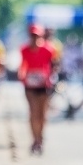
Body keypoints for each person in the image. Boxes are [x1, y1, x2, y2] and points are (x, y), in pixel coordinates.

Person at [17, 24, 56, 154]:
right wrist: (22, 77)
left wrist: (48, 77)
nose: (34, 38)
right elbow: (23, 65)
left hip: (44, 86)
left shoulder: (48, 49)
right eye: (32, 36)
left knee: (42, 114)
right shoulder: (24, 50)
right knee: (33, 112)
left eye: (37, 36)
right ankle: (35, 139)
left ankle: (40, 137)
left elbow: (53, 66)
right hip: (30, 85)